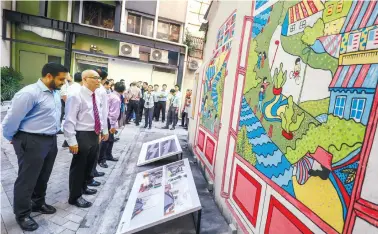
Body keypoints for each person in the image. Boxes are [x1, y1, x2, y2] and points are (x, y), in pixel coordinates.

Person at [2, 62, 68, 231]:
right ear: (48, 76)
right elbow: (11, 120)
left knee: (43, 175)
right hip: (31, 140)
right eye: (61, 79)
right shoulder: (29, 93)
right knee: (27, 178)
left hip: (50, 139)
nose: (64, 82)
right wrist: (14, 138)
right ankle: (22, 214)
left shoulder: (54, 92)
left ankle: (38, 203)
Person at [64, 70, 107, 208]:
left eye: (99, 78)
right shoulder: (76, 96)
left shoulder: (96, 95)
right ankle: (75, 197)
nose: (98, 80)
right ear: (85, 79)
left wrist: (100, 132)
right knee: (79, 167)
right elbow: (69, 120)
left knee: (89, 165)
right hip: (81, 135)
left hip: (93, 134)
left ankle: (83, 188)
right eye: (95, 78)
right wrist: (71, 141)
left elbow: (98, 115)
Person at [98, 82, 125, 168]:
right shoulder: (116, 98)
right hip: (110, 121)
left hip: (107, 119)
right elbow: (114, 113)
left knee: (110, 140)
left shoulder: (110, 94)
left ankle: (108, 155)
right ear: (123, 91)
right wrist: (113, 125)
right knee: (106, 140)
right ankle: (102, 159)